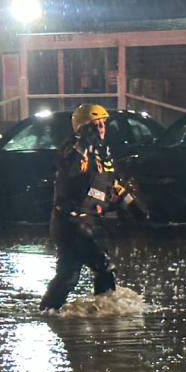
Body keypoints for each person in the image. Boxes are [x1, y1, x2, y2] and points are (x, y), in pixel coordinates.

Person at [39, 104, 141, 311]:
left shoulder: (102, 153)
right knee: (104, 267)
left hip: (87, 220)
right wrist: (83, 144)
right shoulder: (72, 150)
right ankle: (108, 314)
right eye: (95, 125)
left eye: (103, 124)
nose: (101, 129)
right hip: (71, 222)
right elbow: (70, 173)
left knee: (69, 273)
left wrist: (133, 205)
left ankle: (49, 311)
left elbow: (112, 182)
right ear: (82, 128)